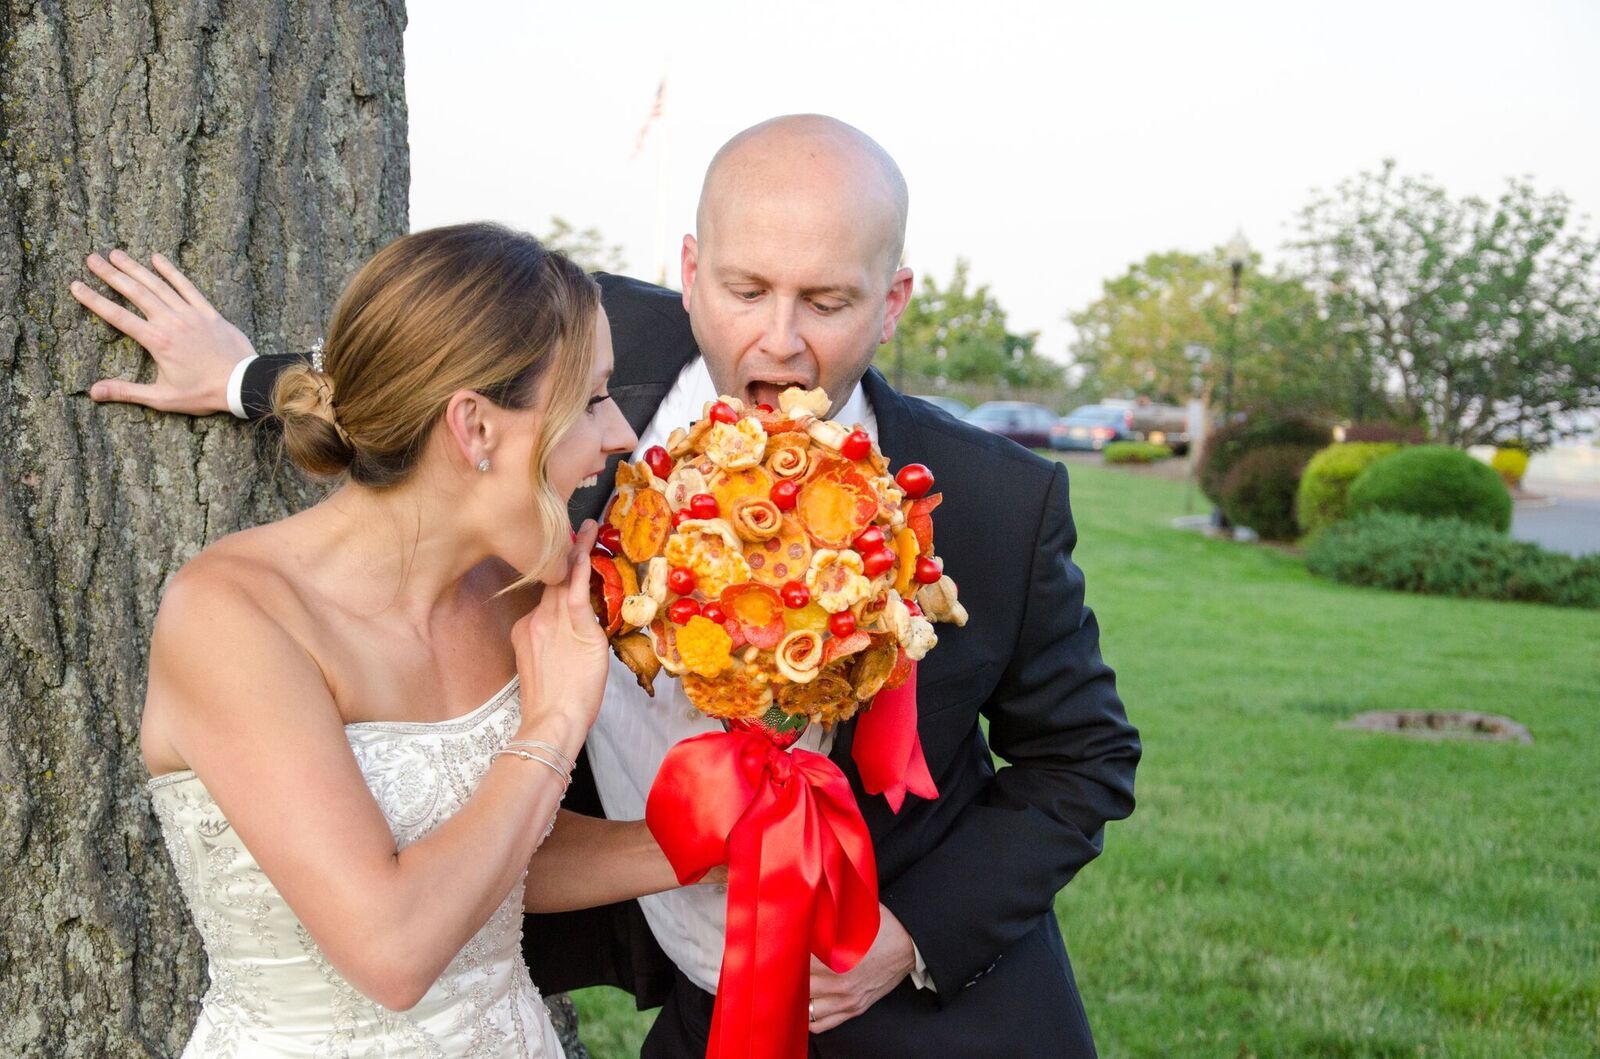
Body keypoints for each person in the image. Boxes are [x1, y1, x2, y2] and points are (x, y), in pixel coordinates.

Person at [77, 115, 1141, 1057]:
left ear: (891, 299)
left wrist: (905, 939)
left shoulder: (1000, 501)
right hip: (671, 1000)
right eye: (744, 290)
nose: (778, 338)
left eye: (825, 301)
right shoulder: (580, 350)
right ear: (689, 268)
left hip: (922, 1018)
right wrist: (238, 376)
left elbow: (1084, 757)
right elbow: (419, 382)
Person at [106, 223, 713, 1056]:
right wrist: (554, 722)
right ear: (475, 429)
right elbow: (391, 951)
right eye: (591, 399)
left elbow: (496, 863)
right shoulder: (232, 618)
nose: (618, 437)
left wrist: (705, 843)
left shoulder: (514, 596)